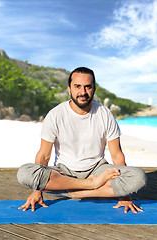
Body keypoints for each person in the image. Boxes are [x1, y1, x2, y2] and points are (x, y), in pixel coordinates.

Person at [17, 67, 147, 213]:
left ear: (94, 89)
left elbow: (117, 154)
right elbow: (44, 155)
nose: (83, 92)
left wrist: (125, 195)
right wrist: (37, 191)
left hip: (98, 170)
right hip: (64, 173)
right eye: (77, 86)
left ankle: (75, 192)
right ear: (69, 89)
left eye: (87, 87)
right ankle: (91, 186)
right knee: (25, 173)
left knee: (138, 178)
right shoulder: (55, 114)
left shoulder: (104, 114)